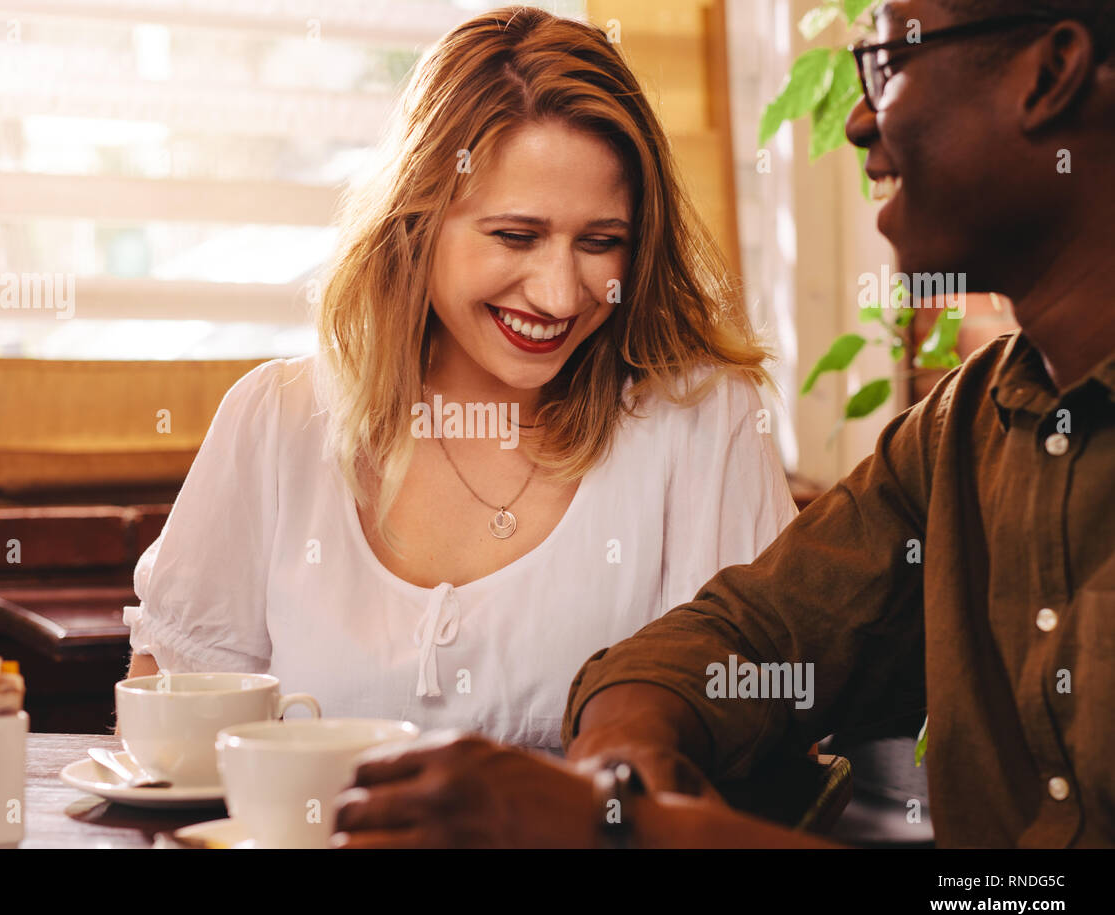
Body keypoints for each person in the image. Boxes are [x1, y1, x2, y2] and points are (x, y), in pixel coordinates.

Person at [331, 0, 1115, 846]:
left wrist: (612, 825)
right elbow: (745, 637)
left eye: (887, 65)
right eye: (516, 233)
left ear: (1050, 74)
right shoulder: (961, 431)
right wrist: (622, 768)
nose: (856, 121)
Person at [120, 6, 797, 751]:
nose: (559, 294)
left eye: (601, 243)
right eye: (517, 235)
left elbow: (757, 746)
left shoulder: (703, 422)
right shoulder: (275, 422)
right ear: (417, 215)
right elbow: (175, 744)